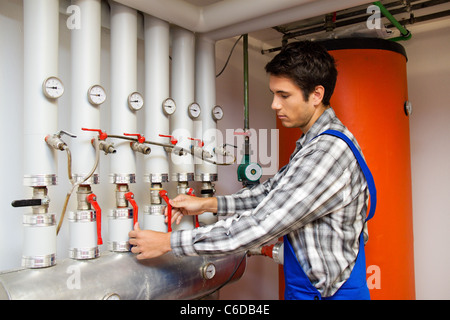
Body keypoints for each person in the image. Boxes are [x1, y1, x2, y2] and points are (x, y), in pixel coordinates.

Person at [129, 40, 375, 300]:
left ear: (316, 94)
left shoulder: (326, 153)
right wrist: (207, 204)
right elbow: (270, 193)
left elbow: (262, 224)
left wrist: (169, 242)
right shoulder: (314, 142)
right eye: (273, 94)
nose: (274, 105)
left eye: (284, 95)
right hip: (309, 289)